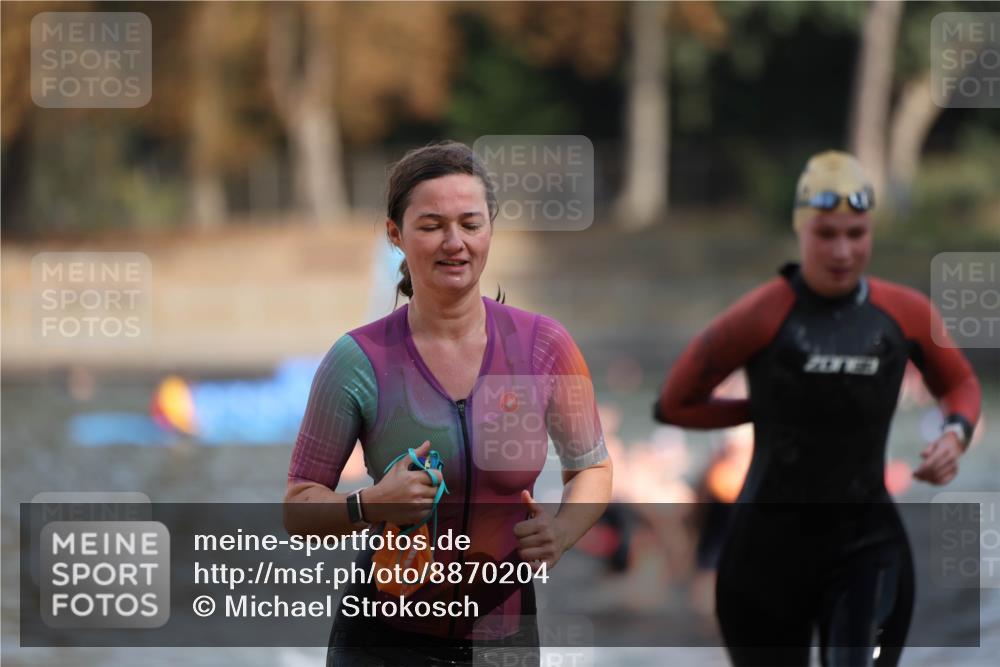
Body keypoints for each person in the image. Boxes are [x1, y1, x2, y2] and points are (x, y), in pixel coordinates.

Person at [284, 141, 612, 666]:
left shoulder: (543, 347)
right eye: (432, 225)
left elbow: (592, 466)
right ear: (395, 234)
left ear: (490, 230)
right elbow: (298, 505)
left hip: (503, 641)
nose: (454, 242)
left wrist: (563, 531)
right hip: (382, 642)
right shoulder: (358, 359)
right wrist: (369, 505)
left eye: (470, 224)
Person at [654, 151, 981, 667]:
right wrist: (760, 409)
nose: (843, 250)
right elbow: (674, 404)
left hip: (866, 548)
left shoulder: (905, 313)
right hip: (764, 554)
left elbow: (959, 381)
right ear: (801, 230)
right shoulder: (762, 314)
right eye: (826, 234)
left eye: (856, 233)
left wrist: (955, 434)